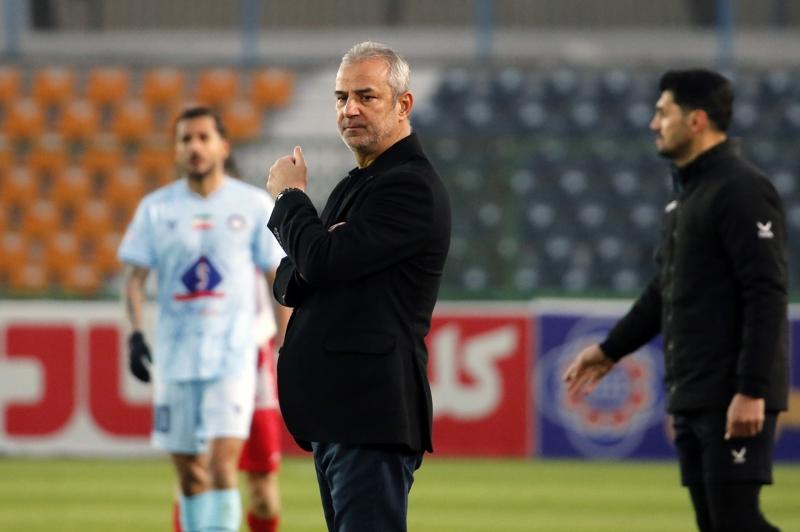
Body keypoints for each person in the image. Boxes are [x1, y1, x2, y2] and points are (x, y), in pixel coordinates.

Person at [563, 69, 788, 532]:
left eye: (663, 113)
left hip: (731, 391)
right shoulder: (686, 196)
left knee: (737, 521)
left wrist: (751, 389)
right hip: (696, 391)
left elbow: (766, 292)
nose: (654, 124)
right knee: (716, 523)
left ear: (696, 120)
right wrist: (610, 350)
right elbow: (666, 289)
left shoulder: (741, 189)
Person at [264, 41, 451, 532]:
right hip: (341, 416)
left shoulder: (408, 185)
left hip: (369, 414)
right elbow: (296, 275)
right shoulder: (359, 182)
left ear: (403, 105)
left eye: (366, 96)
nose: (349, 109)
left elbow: (318, 262)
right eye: (341, 97)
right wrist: (315, 256)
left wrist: (289, 196)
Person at [119, 106, 285, 532]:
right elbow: (134, 280)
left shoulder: (252, 205)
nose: (194, 147)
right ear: (176, 149)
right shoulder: (157, 209)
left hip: (234, 358)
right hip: (175, 359)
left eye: (203, 137)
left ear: (222, 146)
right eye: (185, 139)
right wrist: (135, 335)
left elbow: (278, 279)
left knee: (221, 467)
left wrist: (286, 345)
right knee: (190, 477)